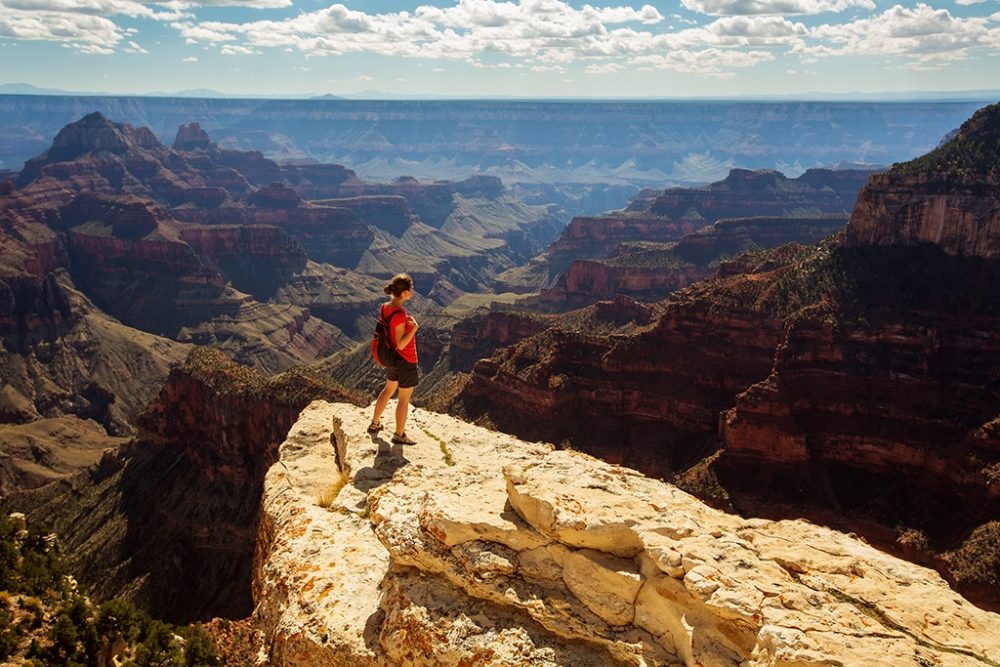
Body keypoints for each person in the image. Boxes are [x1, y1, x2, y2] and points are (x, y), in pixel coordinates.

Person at [368, 273, 419, 445]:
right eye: (411, 288)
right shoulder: (398, 314)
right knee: (404, 399)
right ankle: (399, 434)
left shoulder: (385, 306)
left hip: (392, 359)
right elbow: (400, 344)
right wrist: (413, 329)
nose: (413, 291)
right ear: (404, 293)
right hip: (404, 359)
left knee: (388, 389)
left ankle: (375, 424)